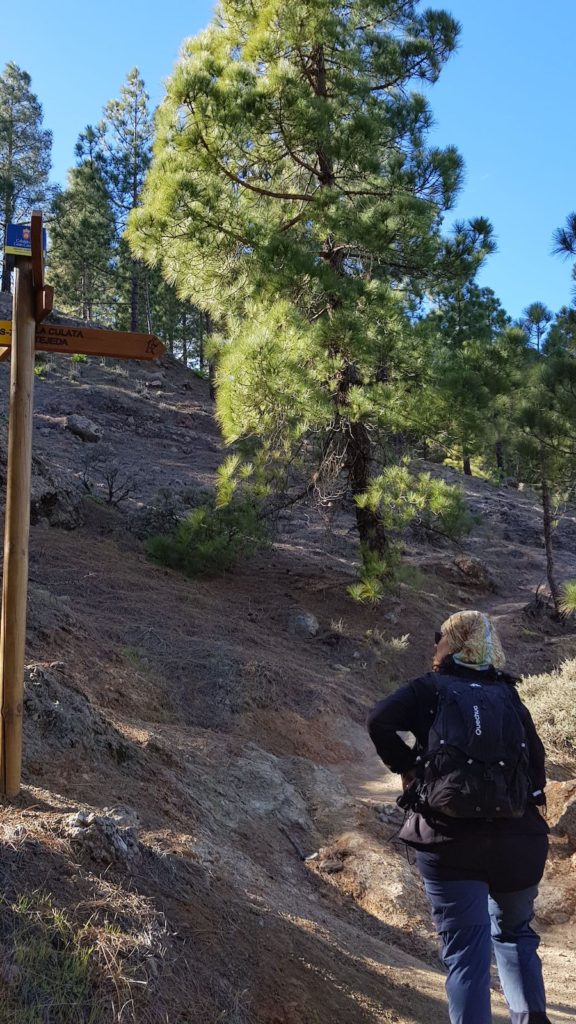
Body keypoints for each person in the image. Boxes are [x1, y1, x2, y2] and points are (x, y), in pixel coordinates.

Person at [367, 610, 550, 1024]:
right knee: (516, 937)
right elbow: (535, 767)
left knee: (467, 956)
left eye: (439, 638)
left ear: (449, 642)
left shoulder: (428, 689)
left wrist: (410, 766)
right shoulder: (508, 694)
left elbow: (378, 719)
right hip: (517, 844)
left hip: (448, 842)